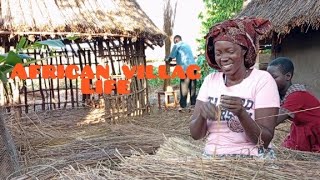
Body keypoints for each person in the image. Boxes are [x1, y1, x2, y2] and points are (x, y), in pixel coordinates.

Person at [189, 17, 280, 158]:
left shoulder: (262, 80)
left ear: (244, 50)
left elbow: (264, 140)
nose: (223, 58)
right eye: (218, 53)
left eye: (229, 51)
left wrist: (241, 113)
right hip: (212, 156)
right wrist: (202, 115)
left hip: (252, 157)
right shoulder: (210, 81)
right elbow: (196, 135)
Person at [267, 57, 320, 152]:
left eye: (274, 77)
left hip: (315, 131)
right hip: (302, 128)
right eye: (268, 78)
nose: (269, 81)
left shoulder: (296, 95)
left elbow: (272, 122)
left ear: (288, 76)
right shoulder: (281, 94)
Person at [167, 35, 197, 112]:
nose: (175, 42)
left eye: (175, 41)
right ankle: (193, 105)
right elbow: (182, 58)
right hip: (193, 68)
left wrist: (167, 59)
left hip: (185, 69)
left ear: (176, 40)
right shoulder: (187, 45)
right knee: (192, 87)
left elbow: (171, 56)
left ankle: (183, 106)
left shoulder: (177, 45)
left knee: (184, 87)